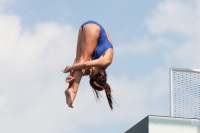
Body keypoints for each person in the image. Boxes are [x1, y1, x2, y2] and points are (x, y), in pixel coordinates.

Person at [62, 20, 114, 110]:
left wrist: (70, 77)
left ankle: (70, 90)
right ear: (102, 72)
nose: (91, 70)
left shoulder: (96, 68)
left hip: (84, 29)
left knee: (78, 61)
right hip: (95, 28)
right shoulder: (107, 61)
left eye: (90, 74)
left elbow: (80, 68)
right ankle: (73, 92)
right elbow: (86, 63)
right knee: (83, 59)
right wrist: (69, 68)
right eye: (93, 72)